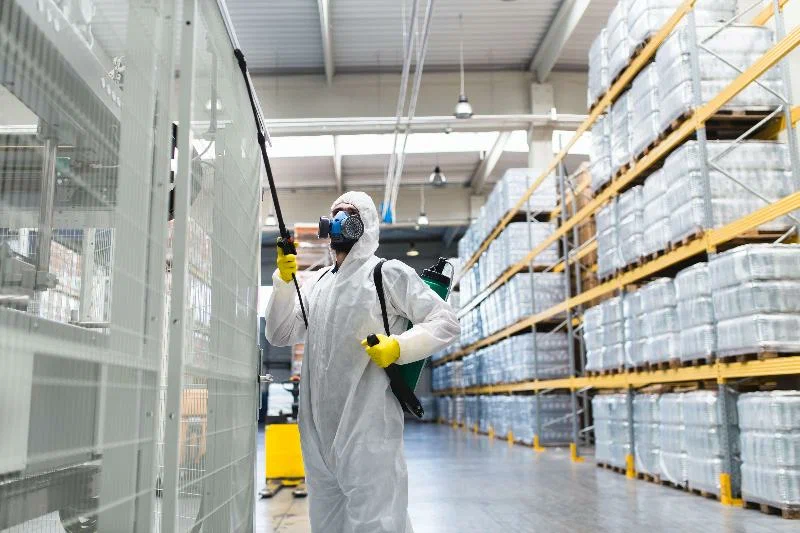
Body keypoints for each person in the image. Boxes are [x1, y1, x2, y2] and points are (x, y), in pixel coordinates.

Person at [265, 191, 460, 533]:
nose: (339, 220)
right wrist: (283, 282)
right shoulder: (319, 283)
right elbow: (279, 333)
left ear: (365, 225)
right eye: (335, 214)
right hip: (317, 437)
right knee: (326, 526)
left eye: (349, 214)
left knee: (378, 524)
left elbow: (445, 322)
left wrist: (398, 347)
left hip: (368, 434)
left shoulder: (386, 274)